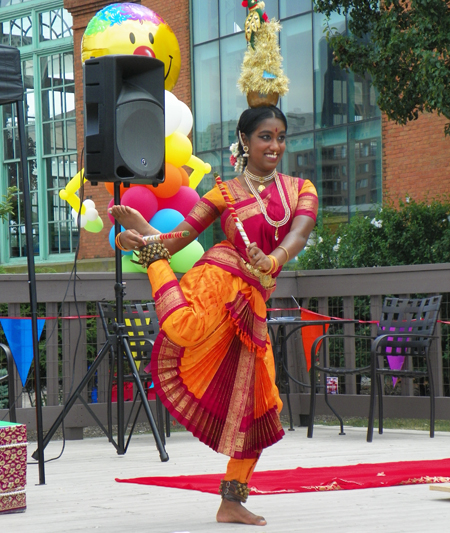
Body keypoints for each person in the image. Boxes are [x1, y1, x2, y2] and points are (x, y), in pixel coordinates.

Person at [109, 105, 318, 526]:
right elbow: (178, 238)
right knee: (183, 329)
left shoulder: (301, 188)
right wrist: (143, 234)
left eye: (280, 136)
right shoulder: (221, 193)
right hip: (220, 279)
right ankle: (149, 263)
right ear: (244, 140)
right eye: (265, 136)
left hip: (254, 299)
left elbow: (298, 234)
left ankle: (231, 500)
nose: (275, 145)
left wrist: (273, 259)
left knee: (259, 404)